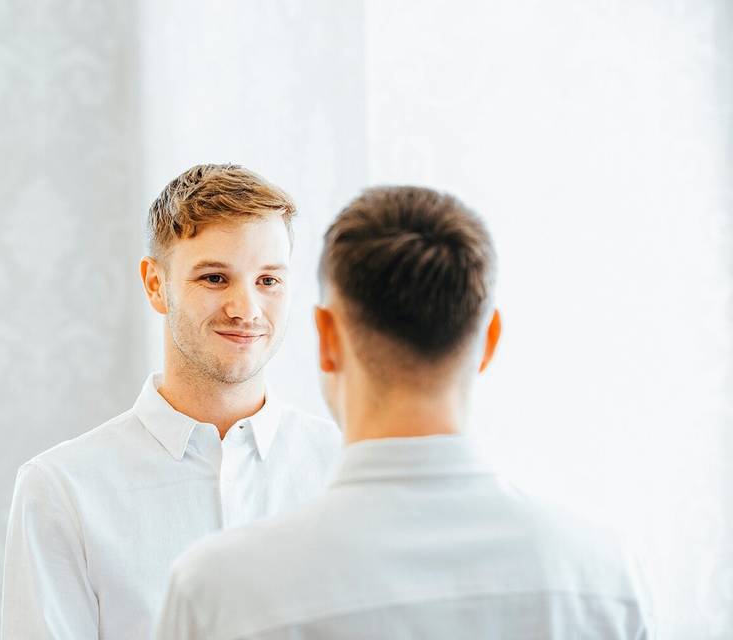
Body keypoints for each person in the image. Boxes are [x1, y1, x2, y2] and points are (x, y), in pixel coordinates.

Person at [154, 186, 655, 639]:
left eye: (267, 280)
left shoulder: (215, 591)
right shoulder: (606, 575)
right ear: (489, 340)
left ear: (327, 339)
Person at [0, 164, 341, 639]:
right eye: (215, 278)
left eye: (268, 280)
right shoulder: (61, 491)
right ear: (156, 284)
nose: (246, 310)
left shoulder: (346, 470)